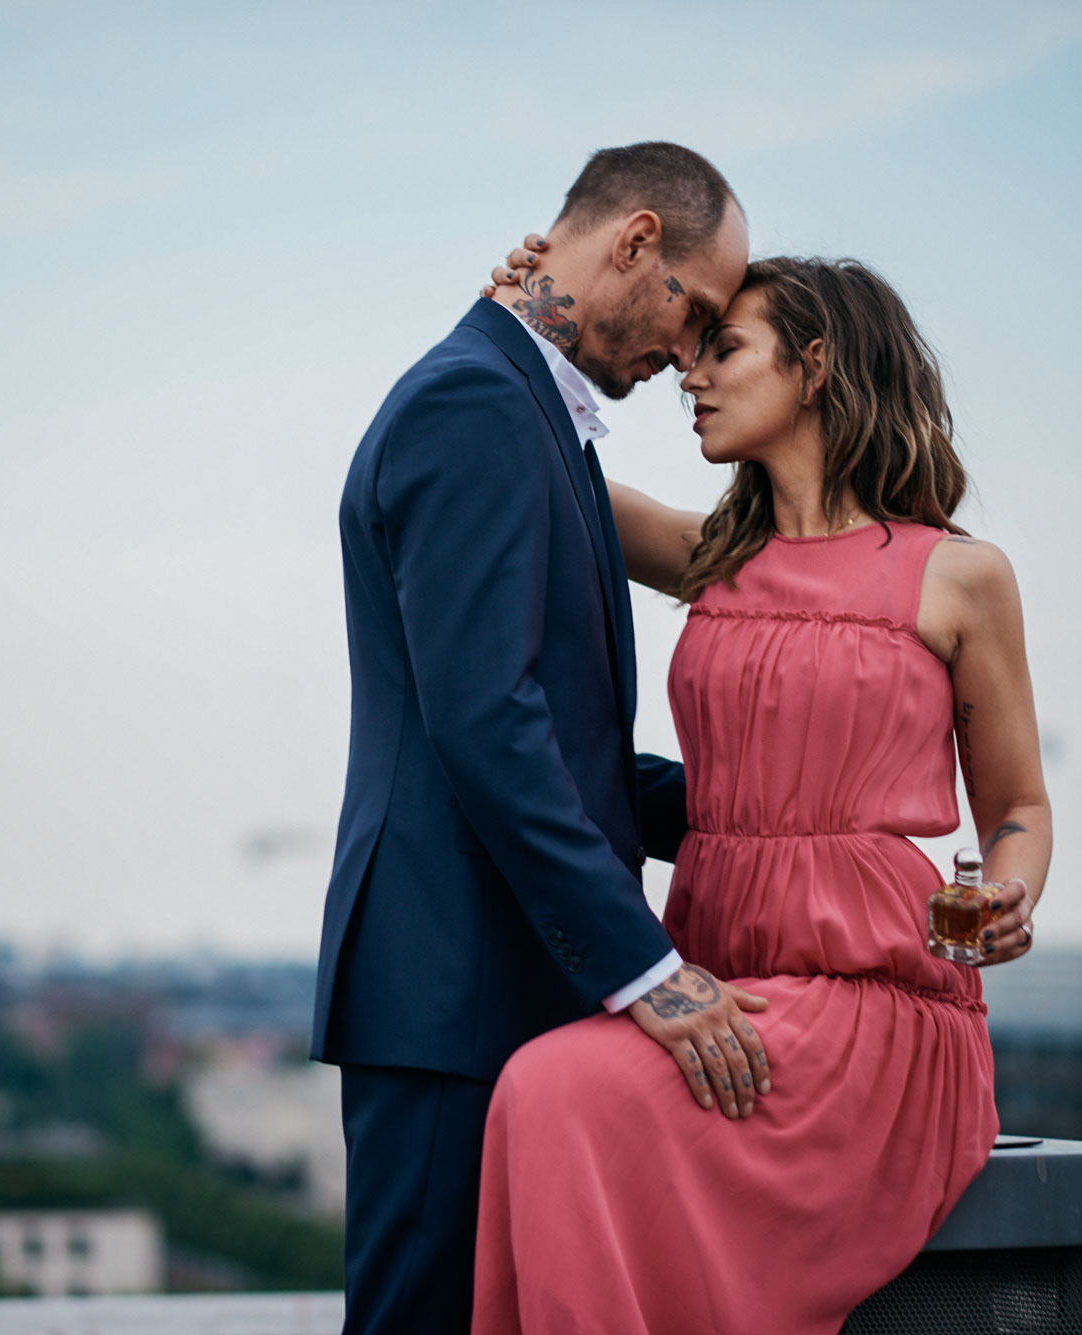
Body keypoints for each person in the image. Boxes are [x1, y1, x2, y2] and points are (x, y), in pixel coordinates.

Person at [468, 250, 1053, 1334]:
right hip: (719, 985)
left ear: (816, 366)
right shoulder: (714, 560)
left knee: (552, 1091)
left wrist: (1012, 891)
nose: (689, 372)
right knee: (535, 1094)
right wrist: (527, 323)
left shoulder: (958, 576)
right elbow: (522, 459)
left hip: (874, 1006)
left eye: (722, 349)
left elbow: (1015, 804)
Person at [311, 143, 769, 1335]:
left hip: (491, 984)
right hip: (454, 990)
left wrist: (764, 811)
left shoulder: (525, 409)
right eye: (695, 312)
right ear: (632, 246)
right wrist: (648, 972)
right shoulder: (475, 404)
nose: (687, 356)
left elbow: (550, 742)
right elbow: (485, 724)